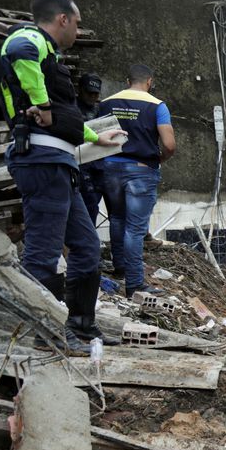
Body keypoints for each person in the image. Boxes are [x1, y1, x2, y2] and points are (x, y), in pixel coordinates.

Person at [0, 0, 126, 351]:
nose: (78, 30)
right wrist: (41, 103)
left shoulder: (49, 55)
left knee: (85, 247)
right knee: (43, 253)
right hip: (41, 161)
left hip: (59, 165)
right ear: (63, 19)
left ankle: (81, 326)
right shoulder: (30, 39)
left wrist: (98, 138)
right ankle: (45, 334)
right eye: (77, 22)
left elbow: (66, 123)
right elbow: (20, 53)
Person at [97, 64, 176, 297]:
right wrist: (160, 158)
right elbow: (169, 145)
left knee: (117, 219)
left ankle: (120, 267)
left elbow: (96, 136)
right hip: (141, 170)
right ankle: (134, 283)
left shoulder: (106, 103)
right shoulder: (157, 105)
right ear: (149, 81)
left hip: (110, 168)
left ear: (127, 80)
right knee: (135, 228)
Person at [75, 73, 106, 224]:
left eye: (95, 93)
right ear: (80, 90)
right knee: (88, 205)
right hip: (79, 163)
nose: (92, 97)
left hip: (98, 163)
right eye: (89, 93)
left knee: (93, 204)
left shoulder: (100, 109)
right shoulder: (72, 107)